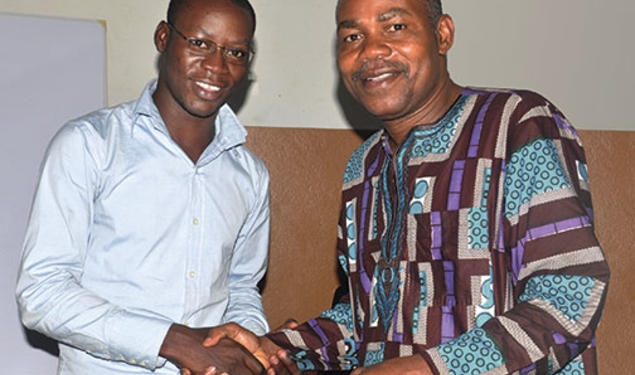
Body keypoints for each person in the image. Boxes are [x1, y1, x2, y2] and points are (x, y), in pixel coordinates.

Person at [200, 0, 610, 374]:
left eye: (394, 27)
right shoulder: (363, 168)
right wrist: (268, 351)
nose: (371, 50)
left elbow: (569, 297)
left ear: (443, 34)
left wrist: (427, 369)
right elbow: (362, 322)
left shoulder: (515, 125)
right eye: (352, 37)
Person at [16, 0, 270, 374]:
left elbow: (242, 286)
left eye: (235, 52)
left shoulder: (250, 175)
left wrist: (242, 345)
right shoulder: (90, 145)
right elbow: (43, 292)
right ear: (163, 37)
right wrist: (177, 342)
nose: (217, 67)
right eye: (200, 43)